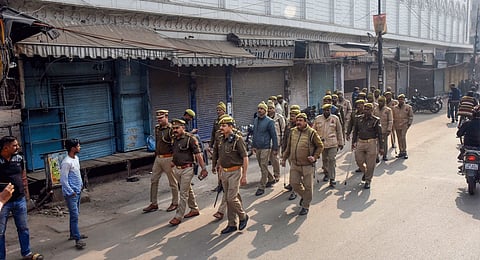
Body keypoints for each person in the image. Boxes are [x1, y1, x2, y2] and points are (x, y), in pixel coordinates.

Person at [0, 136, 43, 260]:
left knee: (23, 228)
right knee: (0, 232)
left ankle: (26, 253)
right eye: (14, 145)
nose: (18, 147)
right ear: (5, 148)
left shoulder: (19, 158)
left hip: (19, 200)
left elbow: (23, 176)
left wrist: (26, 193)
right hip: (3, 203)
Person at [211, 116, 249, 234]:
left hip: (235, 172)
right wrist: (218, 166)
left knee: (231, 198)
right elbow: (221, 155)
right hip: (225, 173)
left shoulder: (238, 140)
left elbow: (245, 157)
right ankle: (232, 224)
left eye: (224, 126)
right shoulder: (221, 139)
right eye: (220, 126)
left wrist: (244, 176)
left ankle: (243, 216)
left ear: (231, 127)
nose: (221, 128)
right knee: (229, 200)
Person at [281, 113, 324, 215]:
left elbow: (320, 146)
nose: (298, 122)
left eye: (301, 120)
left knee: (308, 187)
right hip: (295, 164)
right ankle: (305, 197)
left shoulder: (312, 133)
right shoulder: (293, 132)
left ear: (305, 121)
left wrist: (314, 157)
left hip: (307, 165)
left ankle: (305, 205)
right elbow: (289, 146)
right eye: (297, 120)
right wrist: (284, 158)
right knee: (294, 183)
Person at [168, 119, 208, 226]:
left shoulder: (190, 139)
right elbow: (176, 152)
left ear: (183, 128)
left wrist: (203, 168)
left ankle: (178, 216)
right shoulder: (174, 139)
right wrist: (173, 162)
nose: (175, 130)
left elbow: (199, 155)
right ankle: (194, 209)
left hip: (187, 169)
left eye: (177, 128)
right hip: (177, 169)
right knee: (187, 189)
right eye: (173, 128)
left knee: (183, 193)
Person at [143, 110, 179, 213]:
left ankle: (175, 202)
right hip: (158, 158)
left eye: (161, 118)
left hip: (169, 157)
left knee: (172, 182)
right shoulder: (157, 128)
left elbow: (175, 145)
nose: (159, 120)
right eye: (158, 119)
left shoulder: (171, 129)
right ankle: (153, 203)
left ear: (166, 117)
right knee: (154, 180)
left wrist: (174, 160)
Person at [60, 138, 87, 249]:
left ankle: (73, 234)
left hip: (77, 190)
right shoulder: (66, 162)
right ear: (73, 148)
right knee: (75, 215)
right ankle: (77, 239)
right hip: (72, 193)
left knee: (75, 214)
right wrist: (71, 192)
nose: (79, 147)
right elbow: (63, 180)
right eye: (78, 146)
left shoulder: (76, 158)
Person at [351, 103, 383, 189]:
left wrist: (381, 147)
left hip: (371, 143)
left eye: (368, 109)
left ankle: (368, 180)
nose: (366, 110)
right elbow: (355, 131)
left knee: (370, 164)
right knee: (359, 161)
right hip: (360, 142)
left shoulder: (376, 120)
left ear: (372, 110)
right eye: (365, 109)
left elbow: (380, 134)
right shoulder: (358, 119)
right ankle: (365, 172)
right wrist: (353, 142)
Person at [313, 104, 344, 187]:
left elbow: (339, 131)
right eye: (325, 110)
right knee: (325, 160)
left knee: (332, 159)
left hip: (333, 143)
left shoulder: (335, 118)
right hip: (322, 144)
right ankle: (326, 173)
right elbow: (313, 132)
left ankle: (332, 178)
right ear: (323, 111)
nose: (327, 111)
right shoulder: (317, 119)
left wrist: (341, 142)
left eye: (328, 110)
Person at [252, 102, 278, 196]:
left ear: (265, 110)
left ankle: (261, 187)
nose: (259, 110)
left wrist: (275, 148)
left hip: (266, 147)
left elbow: (274, 135)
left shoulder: (269, 121)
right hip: (258, 147)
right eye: (258, 108)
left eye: (261, 109)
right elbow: (254, 134)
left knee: (263, 166)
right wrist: (253, 145)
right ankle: (271, 179)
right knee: (262, 166)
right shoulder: (255, 120)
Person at [282, 106, 301, 200]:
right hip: (289, 151)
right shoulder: (288, 125)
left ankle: (295, 190)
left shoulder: (301, 126)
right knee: (293, 170)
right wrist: (283, 151)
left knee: (295, 171)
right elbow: (285, 138)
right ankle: (292, 184)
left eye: (293, 116)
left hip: (298, 152)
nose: (291, 117)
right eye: (290, 115)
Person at [209, 102, 227, 193]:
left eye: (220, 110)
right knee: (217, 165)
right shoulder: (216, 121)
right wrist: (210, 144)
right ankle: (220, 184)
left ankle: (225, 184)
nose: (218, 111)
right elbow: (213, 134)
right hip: (218, 145)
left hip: (226, 145)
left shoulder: (228, 120)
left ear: (224, 111)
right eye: (217, 110)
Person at [267, 100, 285, 183]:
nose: (270, 110)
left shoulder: (279, 118)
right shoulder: (265, 118)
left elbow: (283, 130)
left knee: (275, 159)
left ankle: (277, 175)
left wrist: (282, 141)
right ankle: (269, 177)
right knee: (266, 160)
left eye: (271, 108)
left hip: (276, 142)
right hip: (266, 142)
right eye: (268, 108)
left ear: (274, 109)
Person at [392, 94, 414, 159]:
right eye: (399, 99)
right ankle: (401, 151)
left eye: (402, 99)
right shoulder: (394, 108)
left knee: (403, 137)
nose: (401, 100)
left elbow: (411, 116)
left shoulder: (408, 107)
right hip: (397, 124)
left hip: (404, 124)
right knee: (399, 138)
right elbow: (392, 116)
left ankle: (404, 151)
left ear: (404, 100)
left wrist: (409, 124)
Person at [373, 96, 393, 161]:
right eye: (379, 101)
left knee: (384, 143)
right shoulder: (375, 109)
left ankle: (384, 155)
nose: (380, 103)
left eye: (381, 101)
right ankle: (377, 156)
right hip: (376, 130)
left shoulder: (388, 110)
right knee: (376, 143)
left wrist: (389, 129)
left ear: (384, 102)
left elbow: (390, 120)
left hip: (385, 129)